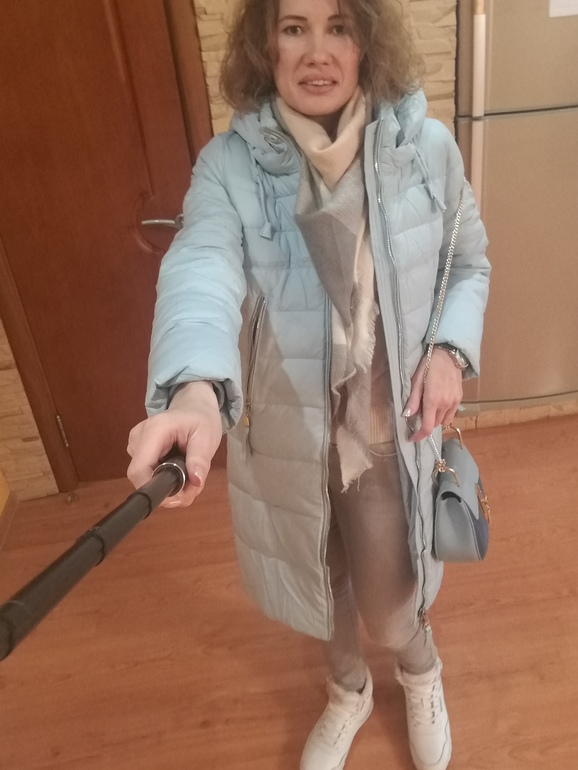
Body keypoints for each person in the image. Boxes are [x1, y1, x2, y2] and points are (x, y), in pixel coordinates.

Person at [127, 0, 490, 768]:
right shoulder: (230, 167)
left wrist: (449, 354)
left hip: (389, 438)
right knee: (319, 592)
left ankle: (419, 671)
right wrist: (195, 388)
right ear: (266, 44)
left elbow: (468, 264)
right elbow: (201, 267)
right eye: (295, 27)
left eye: (339, 27)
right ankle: (347, 691)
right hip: (287, 440)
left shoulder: (425, 150)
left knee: (391, 605)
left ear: (368, 40)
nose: (317, 51)